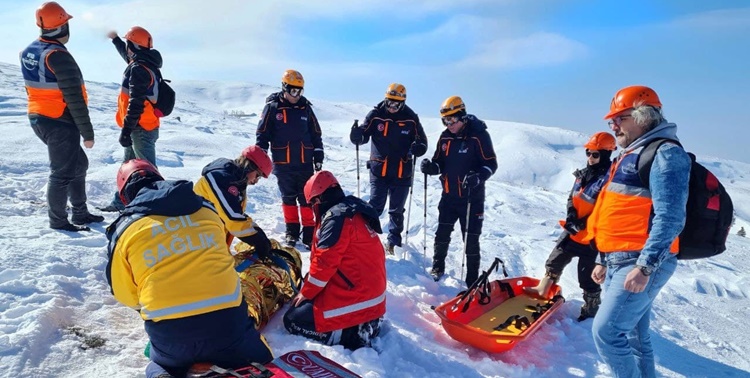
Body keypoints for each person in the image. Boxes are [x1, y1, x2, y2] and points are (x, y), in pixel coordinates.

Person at [105, 159, 273, 378]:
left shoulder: (125, 229)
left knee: (158, 363)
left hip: (172, 335)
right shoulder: (206, 209)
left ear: (125, 195)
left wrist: (154, 301)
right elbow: (220, 256)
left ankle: (161, 373)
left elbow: (123, 292)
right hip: (228, 325)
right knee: (262, 357)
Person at [586, 85, 690, 377]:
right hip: (619, 260)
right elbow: (617, 212)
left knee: (607, 333)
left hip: (640, 261)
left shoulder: (665, 154)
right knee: (633, 337)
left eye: (621, 118)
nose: (614, 125)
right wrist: (603, 259)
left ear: (644, 116)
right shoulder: (631, 154)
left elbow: (670, 217)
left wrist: (645, 267)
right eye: (612, 120)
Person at [20, 2, 103, 232]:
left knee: (79, 164)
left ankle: (80, 212)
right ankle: (59, 222)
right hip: (59, 120)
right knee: (62, 172)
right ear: (62, 26)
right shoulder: (59, 56)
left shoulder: (30, 50)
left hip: (39, 117)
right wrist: (87, 134)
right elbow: (75, 99)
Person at [283, 171, 386, 350]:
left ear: (317, 199)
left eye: (312, 203)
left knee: (293, 320)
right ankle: (366, 321)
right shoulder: (352, 209)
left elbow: (324, 265)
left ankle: (351, 335)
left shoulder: (335, 219)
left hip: (357, 294)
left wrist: (306, 293)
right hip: (372, 296)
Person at [526, 132, 616, 321]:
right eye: (588, 153)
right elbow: (572, 197)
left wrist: (583, 223)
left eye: (595, 154)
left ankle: (591, 309)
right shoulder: (582, 175)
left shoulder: (609, 180)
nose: (590, 158)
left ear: (606, 155)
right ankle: (544, 289)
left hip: (592, 237)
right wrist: (571, 215)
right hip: (573, 230)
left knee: (587, 276)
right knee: (555, 259)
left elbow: (606, 209)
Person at [420, 96, 497, 287]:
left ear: (462, 116)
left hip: (472, 199)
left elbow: (491, 163)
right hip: (449, 196)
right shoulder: (445, 137)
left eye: (452, 119)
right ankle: (438, 268)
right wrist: (431, 167)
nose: (449, 124)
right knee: (442, 234)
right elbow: (440, 162)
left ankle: (472, 280)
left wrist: (478, 177)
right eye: (445, 120)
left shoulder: (478, 136)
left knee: (470, 240)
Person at [349, 83, 428, 254]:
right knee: (375, 206)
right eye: (389, 102)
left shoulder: (411, 118)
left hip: (402, 172)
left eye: (396, 104)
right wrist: (357, 136)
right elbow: (363, 134)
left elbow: (423, 142)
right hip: (379, 170)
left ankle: (393, 242)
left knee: (396, 210)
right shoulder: (376, 115)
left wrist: (418, 148)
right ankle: (365, 238)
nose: (392, 107)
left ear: (403, 103)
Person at [256, 69, 324, 249]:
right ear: (284, 88)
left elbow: (316, 134)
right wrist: (261, 153)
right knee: (288, 198)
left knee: (306, 198)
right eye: (293, 91)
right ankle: (292, 231)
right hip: (282, 161)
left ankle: (309, 233)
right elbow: (262, 133)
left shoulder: (306, 109)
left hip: (304, 161)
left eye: (300, 91)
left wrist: (318, 154)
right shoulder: (273, 108)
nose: (296, 95)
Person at [102, 26, 164, 212]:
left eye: (128, 44)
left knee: (147, 169)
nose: (127, 48)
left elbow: (136, 103)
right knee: (128, 167)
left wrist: (126, 130)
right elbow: (127, 54)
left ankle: (154, 205)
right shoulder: (144, 63)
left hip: (141, 128)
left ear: (134, 46)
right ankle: (122, 201)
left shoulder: (138, 69)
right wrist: (115, 40)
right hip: (139, 127)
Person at [193, 145, 274, 255]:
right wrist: (258, 240)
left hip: (210, 239)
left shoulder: (236, 182)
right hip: (196, 240)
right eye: (257, 176)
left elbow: (237, 215)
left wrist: (259, 233)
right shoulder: (220, 178)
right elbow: (233, 218)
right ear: (249, 166)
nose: (256, 181)